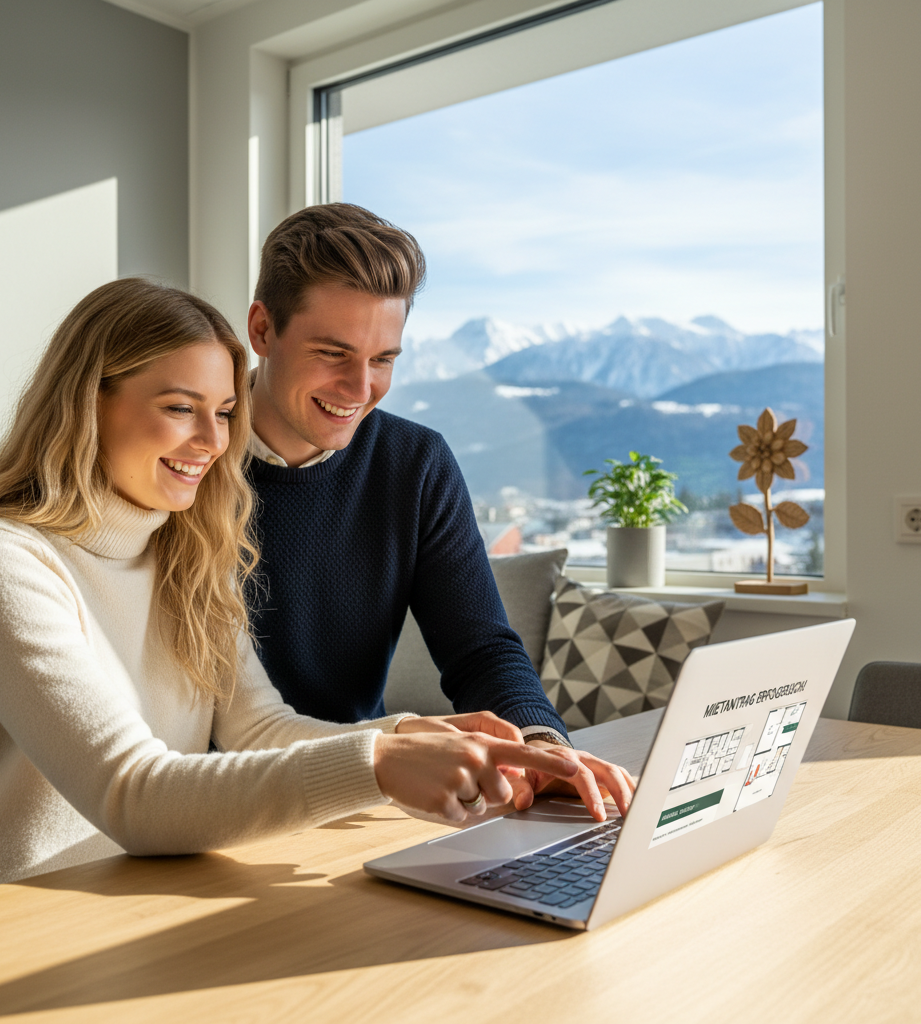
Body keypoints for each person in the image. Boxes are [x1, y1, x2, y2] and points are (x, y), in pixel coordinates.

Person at [0, 278, 600, 905]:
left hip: (131, 894)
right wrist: (381, 762)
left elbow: (257, 729)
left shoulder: (187, 552)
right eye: (181, 408)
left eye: (223, 411)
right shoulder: (1, 561)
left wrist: (415, 736)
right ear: (87, 401)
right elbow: (131, 793)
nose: (214, 441)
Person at [243, 203, 634, 807]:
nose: (359, 388)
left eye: (383, 360)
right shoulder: (186, 463)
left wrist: (543, 746)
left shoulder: (414, 462)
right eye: (332, 353)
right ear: (263, 330)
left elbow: (478, 645)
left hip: (356, 792)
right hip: (213, 799)